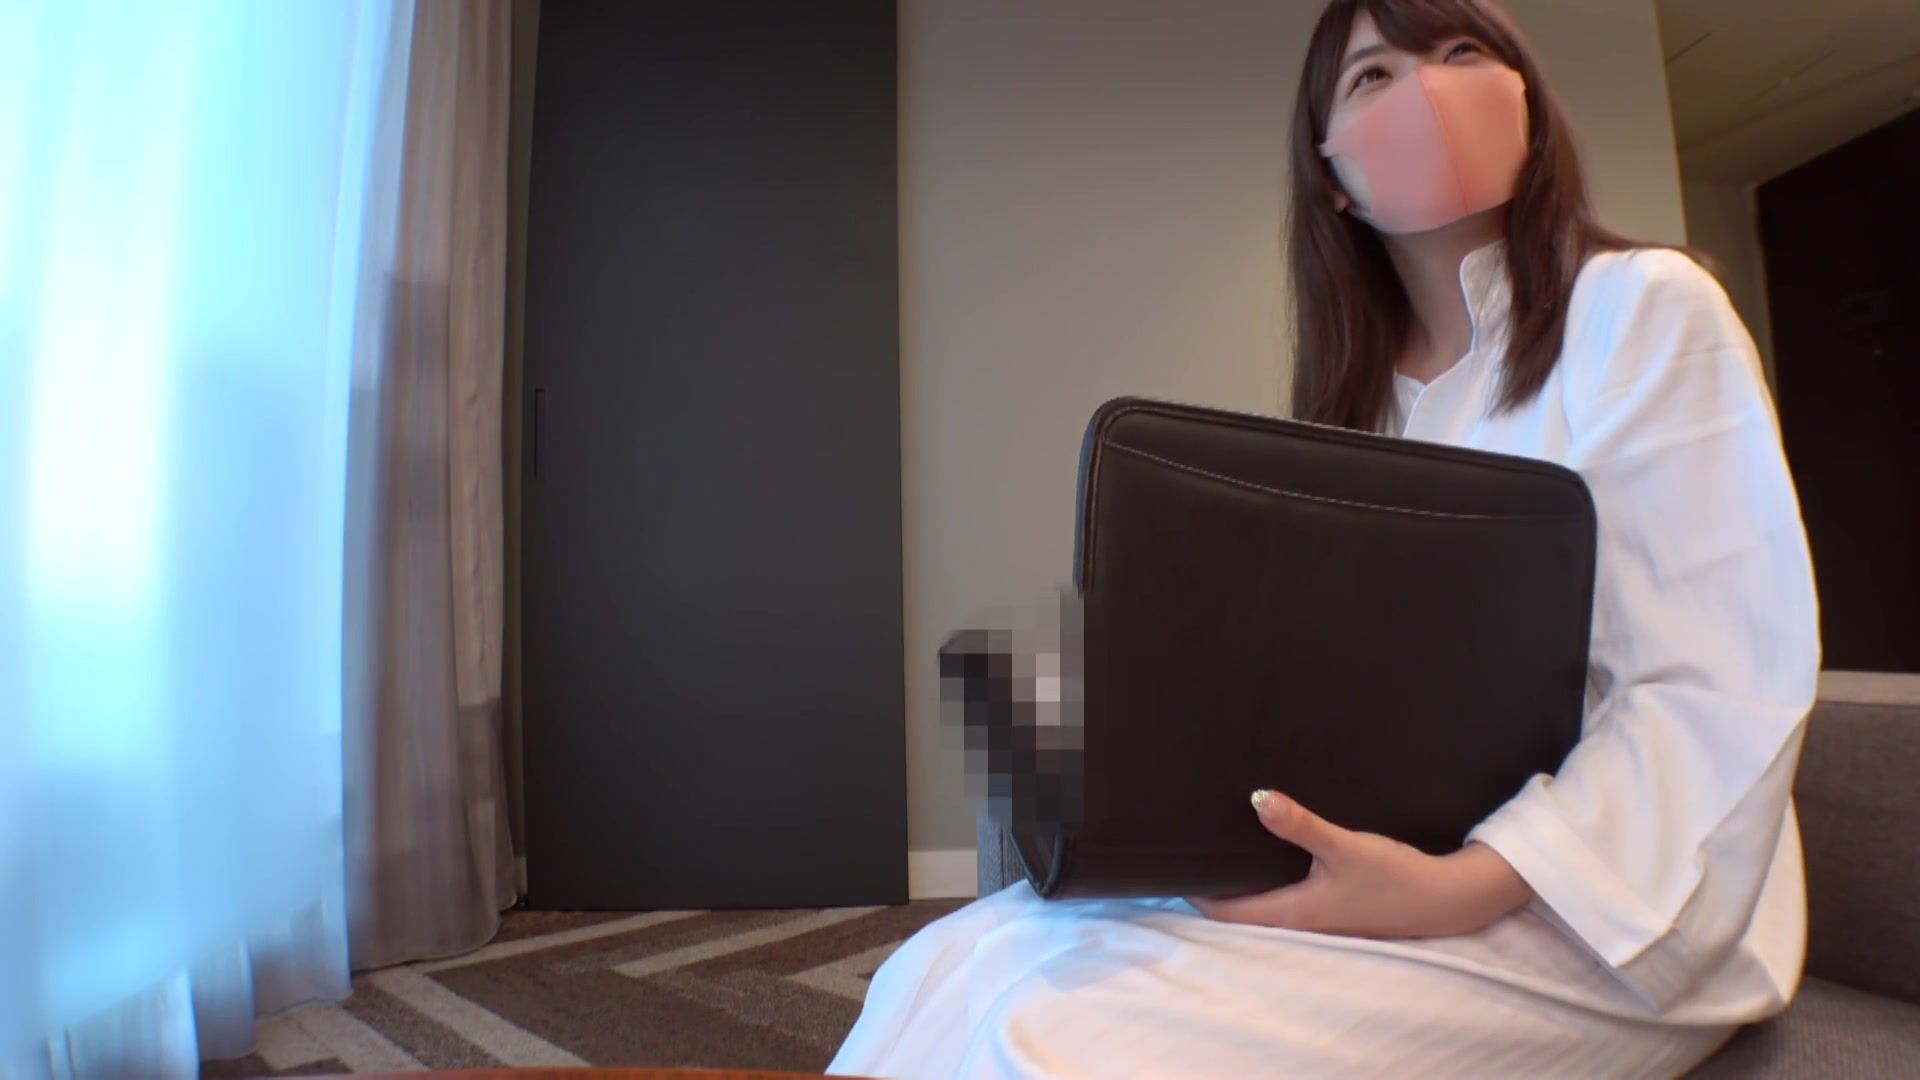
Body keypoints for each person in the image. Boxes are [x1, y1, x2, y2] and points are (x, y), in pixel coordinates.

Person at [828, 0, 1820, 1074]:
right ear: (1332, 174)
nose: (1428, 89)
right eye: (1373, 76)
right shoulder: (1362, 411)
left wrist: (1461, 886)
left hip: (1620, 902)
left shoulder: (1645, 306)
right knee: (946, 964)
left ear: (1527, 105)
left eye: (1461, 51)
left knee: (1055, 1039)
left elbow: (1712, 682)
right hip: (1408, 847)